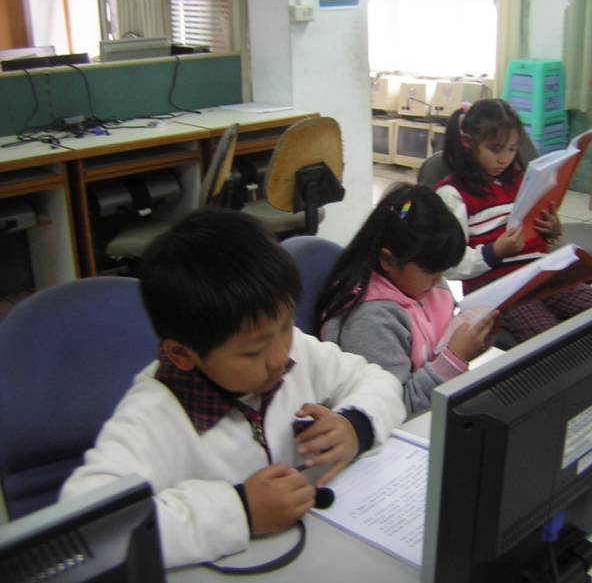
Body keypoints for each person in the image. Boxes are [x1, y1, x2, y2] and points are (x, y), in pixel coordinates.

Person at [59, 208, 405, 569]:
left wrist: (354, 425)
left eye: (285, 327)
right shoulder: (154, 416)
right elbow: (89, 527)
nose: (279, 357)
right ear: (181, 354)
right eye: (252, 352)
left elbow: (377, 380)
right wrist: (240, 510)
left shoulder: (297, 351)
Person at [435, 98, 592, 343]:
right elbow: (450, 264)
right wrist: (494, 252)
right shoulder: (453, 195)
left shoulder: (518, 181)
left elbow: (532, 233)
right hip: (496, 286)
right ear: (467, 143)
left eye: (512, 149)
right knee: (551, 342)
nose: (504, 159)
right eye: (495, 149)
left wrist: (551, 230)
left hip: (538, 272)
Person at [315, 184, 496, 417]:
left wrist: (477, 337)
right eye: (430, 271)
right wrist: (455, 359)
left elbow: (444, 344)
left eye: (443, 270)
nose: (439, 281)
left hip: (437, 407)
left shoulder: (429, 285)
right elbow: (393, 407)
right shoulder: (370, 321)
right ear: (388, 260)